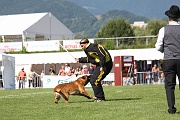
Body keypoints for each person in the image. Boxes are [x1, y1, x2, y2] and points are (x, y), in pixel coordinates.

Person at [155, 5, 180, 114]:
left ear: (168, 17)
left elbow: (158, 46)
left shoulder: (163, 30)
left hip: (168, 59)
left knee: (170, 85)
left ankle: (171, 109)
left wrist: (164, 50)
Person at [75, 38, 113, 102]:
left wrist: (101, 66)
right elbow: (91, 59)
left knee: (95, 81)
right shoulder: (87, 49)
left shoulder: (94, 47)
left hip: (105, 65)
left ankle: (100, 98)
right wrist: (80, 59)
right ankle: (98, 97)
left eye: (82, 46)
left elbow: (102, 56)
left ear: (86, 44)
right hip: (100, 65)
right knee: (93, 80)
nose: (81, 48)